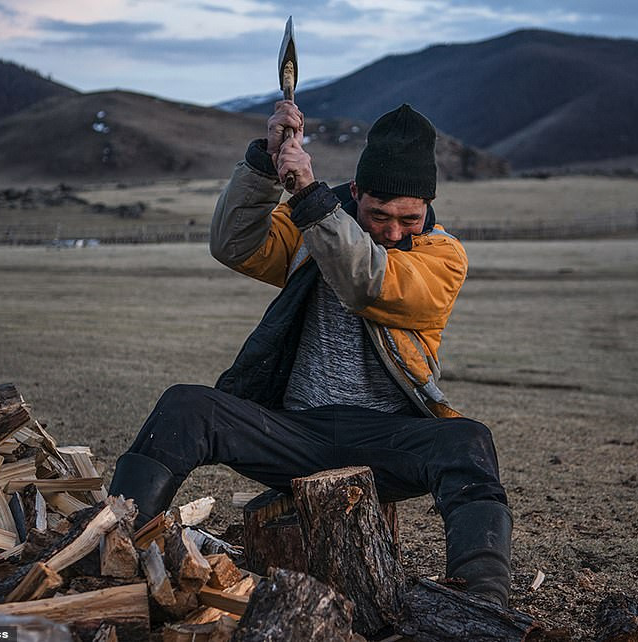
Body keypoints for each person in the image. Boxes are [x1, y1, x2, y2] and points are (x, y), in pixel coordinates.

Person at [109, 100, 513, 606]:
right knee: (185, 407)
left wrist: (309, 195)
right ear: (356, 193)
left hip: (385, 442)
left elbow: (369, 282)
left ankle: (483, 604)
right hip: (294, 432)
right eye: (378, 215)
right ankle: (118, 550)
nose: (392, 231)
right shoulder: (312, 222)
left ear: (427, 207)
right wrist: (265, 163)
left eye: (408, 219)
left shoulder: (443, 254)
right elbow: (234, 244)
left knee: (468, 442)